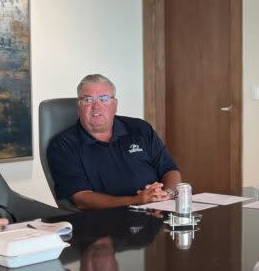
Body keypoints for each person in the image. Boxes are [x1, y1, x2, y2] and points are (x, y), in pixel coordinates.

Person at [47, 74, 181, 209]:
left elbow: (169, 169)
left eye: (104, 99)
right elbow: (81, 198)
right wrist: (136, 200)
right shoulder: (63, 145)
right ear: (79, 105)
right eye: (88, 99)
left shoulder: (140, 128)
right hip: (105, 222)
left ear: (115, 104)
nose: (96, 106)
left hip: (158, 211)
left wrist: (167, 194)